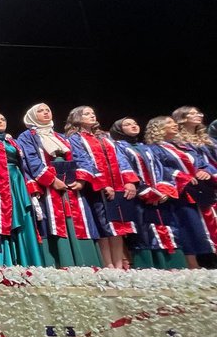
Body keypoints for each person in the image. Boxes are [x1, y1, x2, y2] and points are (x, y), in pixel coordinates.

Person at [17, 103, 101, 267]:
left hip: (72, 185)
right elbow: (31, 160)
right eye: (40, 111)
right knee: (54, 222)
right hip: (48, 187)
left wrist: (81, 180)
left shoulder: (61, 137)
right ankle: (61, 261)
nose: (45, 113)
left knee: (78, 220)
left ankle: (86, 262)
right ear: (32, 116)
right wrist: (52, 180)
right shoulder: (27, 137)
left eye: (47, 110)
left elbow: (80, 157)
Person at [65, 106, 139, 269]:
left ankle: (119, 265)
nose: (92, 115)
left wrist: (129, 181)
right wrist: (103, 184)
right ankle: (108, 265)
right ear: (77, 118)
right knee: (104, 225)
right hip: (96, 188)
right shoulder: (75, 139)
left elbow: (121, 159)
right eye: (87, 114)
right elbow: (83, 160)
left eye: (93, 113)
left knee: (119, 226)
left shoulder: (105, 137)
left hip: (118, 186)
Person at [110, 118, 187, 269]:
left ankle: (174, 266)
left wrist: (164, 190)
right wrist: (145, 191)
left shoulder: (146, 147)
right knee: (143, 231)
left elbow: (161, 169)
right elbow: (123, 169)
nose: (133, 125)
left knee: (167, 227)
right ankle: (147, 266)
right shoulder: (118, 147)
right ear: (118, 129)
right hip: (137, 196)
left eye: (135, 123)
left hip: (159, 196)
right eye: (127, 124)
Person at [146, 116, 217, 268]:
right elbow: (160, 169)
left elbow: (201, 162)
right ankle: (192, 264)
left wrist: (204, 171)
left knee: (202, 226)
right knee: (187, 226)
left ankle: (208, 260)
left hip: (198, 192)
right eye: (169, 122)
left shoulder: (182, 146)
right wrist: (181, 176)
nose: (174, 124)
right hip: (179, 193)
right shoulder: (153, 149)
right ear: (158, 128)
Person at [0, 113, 45, 267]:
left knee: (24, 218)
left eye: (3, 119)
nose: (0, 121)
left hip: (17, 182)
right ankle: (6, 262)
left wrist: (31, 185)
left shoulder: (12, 141)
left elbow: (24, 165)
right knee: (2, 220)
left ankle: (28, 261)